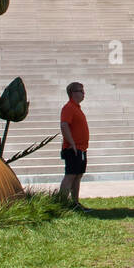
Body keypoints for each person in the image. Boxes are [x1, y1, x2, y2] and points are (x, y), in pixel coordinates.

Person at [58, 81, 91, 211]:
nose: (83, 93)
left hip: (81, 148)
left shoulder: (77, 108)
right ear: (73, 93)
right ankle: (61, 204)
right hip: (73, 149)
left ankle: (75, 203)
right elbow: (64, 125)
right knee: (70, 175)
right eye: (80, 91)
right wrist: (71, 142)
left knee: (78, 175)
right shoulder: (69, 108)